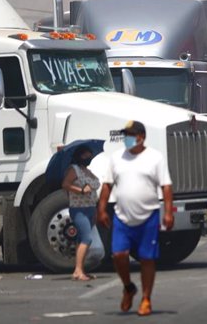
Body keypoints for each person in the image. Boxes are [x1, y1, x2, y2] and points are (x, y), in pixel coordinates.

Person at [97, 120, 174, 317]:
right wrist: (102, 208)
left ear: (141, 136)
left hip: (148, 216)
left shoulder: (155, 158)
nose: (127, 138)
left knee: (147, 259)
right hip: (122, 217)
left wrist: (167, 212)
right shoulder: (116, 158)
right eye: (126, 135)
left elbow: (166, 186)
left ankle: (146, 298)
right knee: (119, 255)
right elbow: (107, 185)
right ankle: (128, 287)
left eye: (131, 135)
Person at [61, 145, 101, 281]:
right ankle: (77, 271)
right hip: (79, 209)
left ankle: (81, 270)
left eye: (90, 155)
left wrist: (95, 210)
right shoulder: (74, 170)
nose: (88, 157)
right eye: (86, 155)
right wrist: (81, 190)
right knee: (87, 238)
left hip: (90, 208)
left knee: (81, 239)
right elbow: (65, 184)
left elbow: (95, 186)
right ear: (79, 156)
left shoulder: (87, 171)